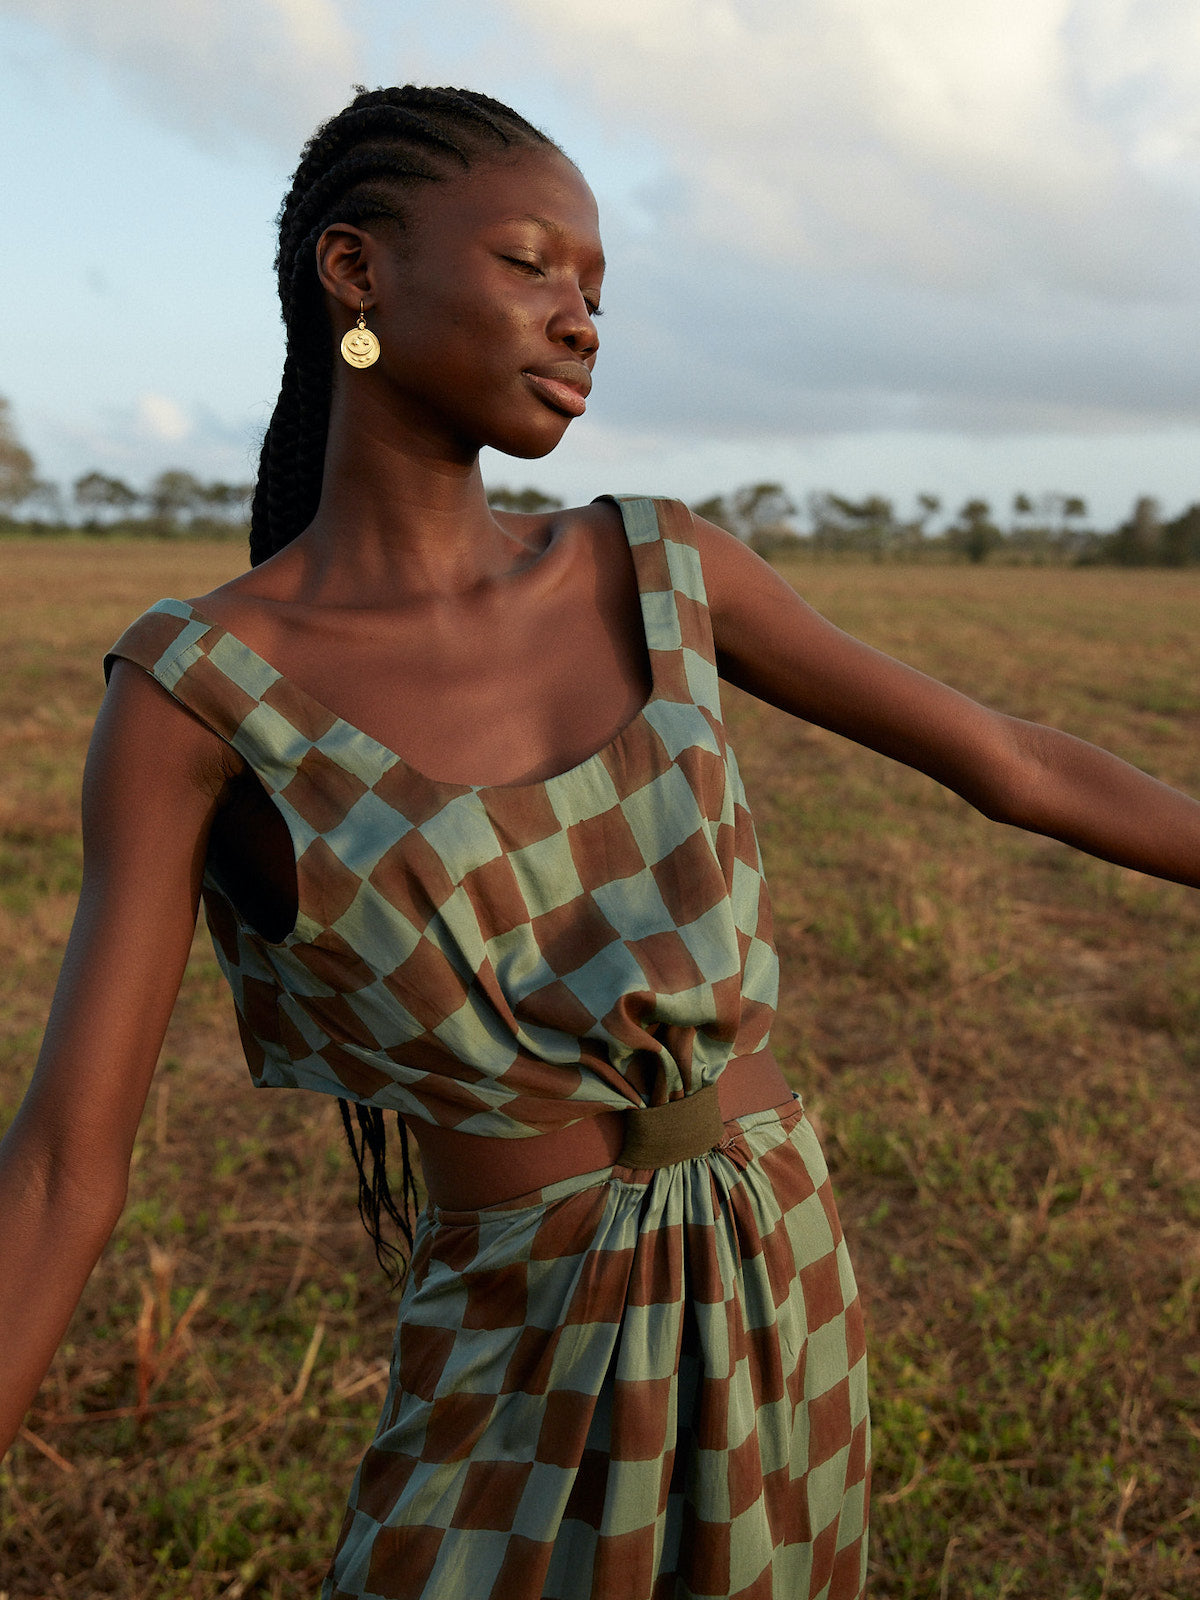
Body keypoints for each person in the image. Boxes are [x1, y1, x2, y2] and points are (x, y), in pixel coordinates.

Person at [2, 83, 1199, 1600]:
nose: (579, 318)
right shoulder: (200, 693)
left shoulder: (663, 570)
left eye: (597, 290)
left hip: (779, 1273)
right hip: (516, 1329)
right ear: (354, 271)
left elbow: (1012, 762)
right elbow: (59, 1171)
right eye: (529, 263)